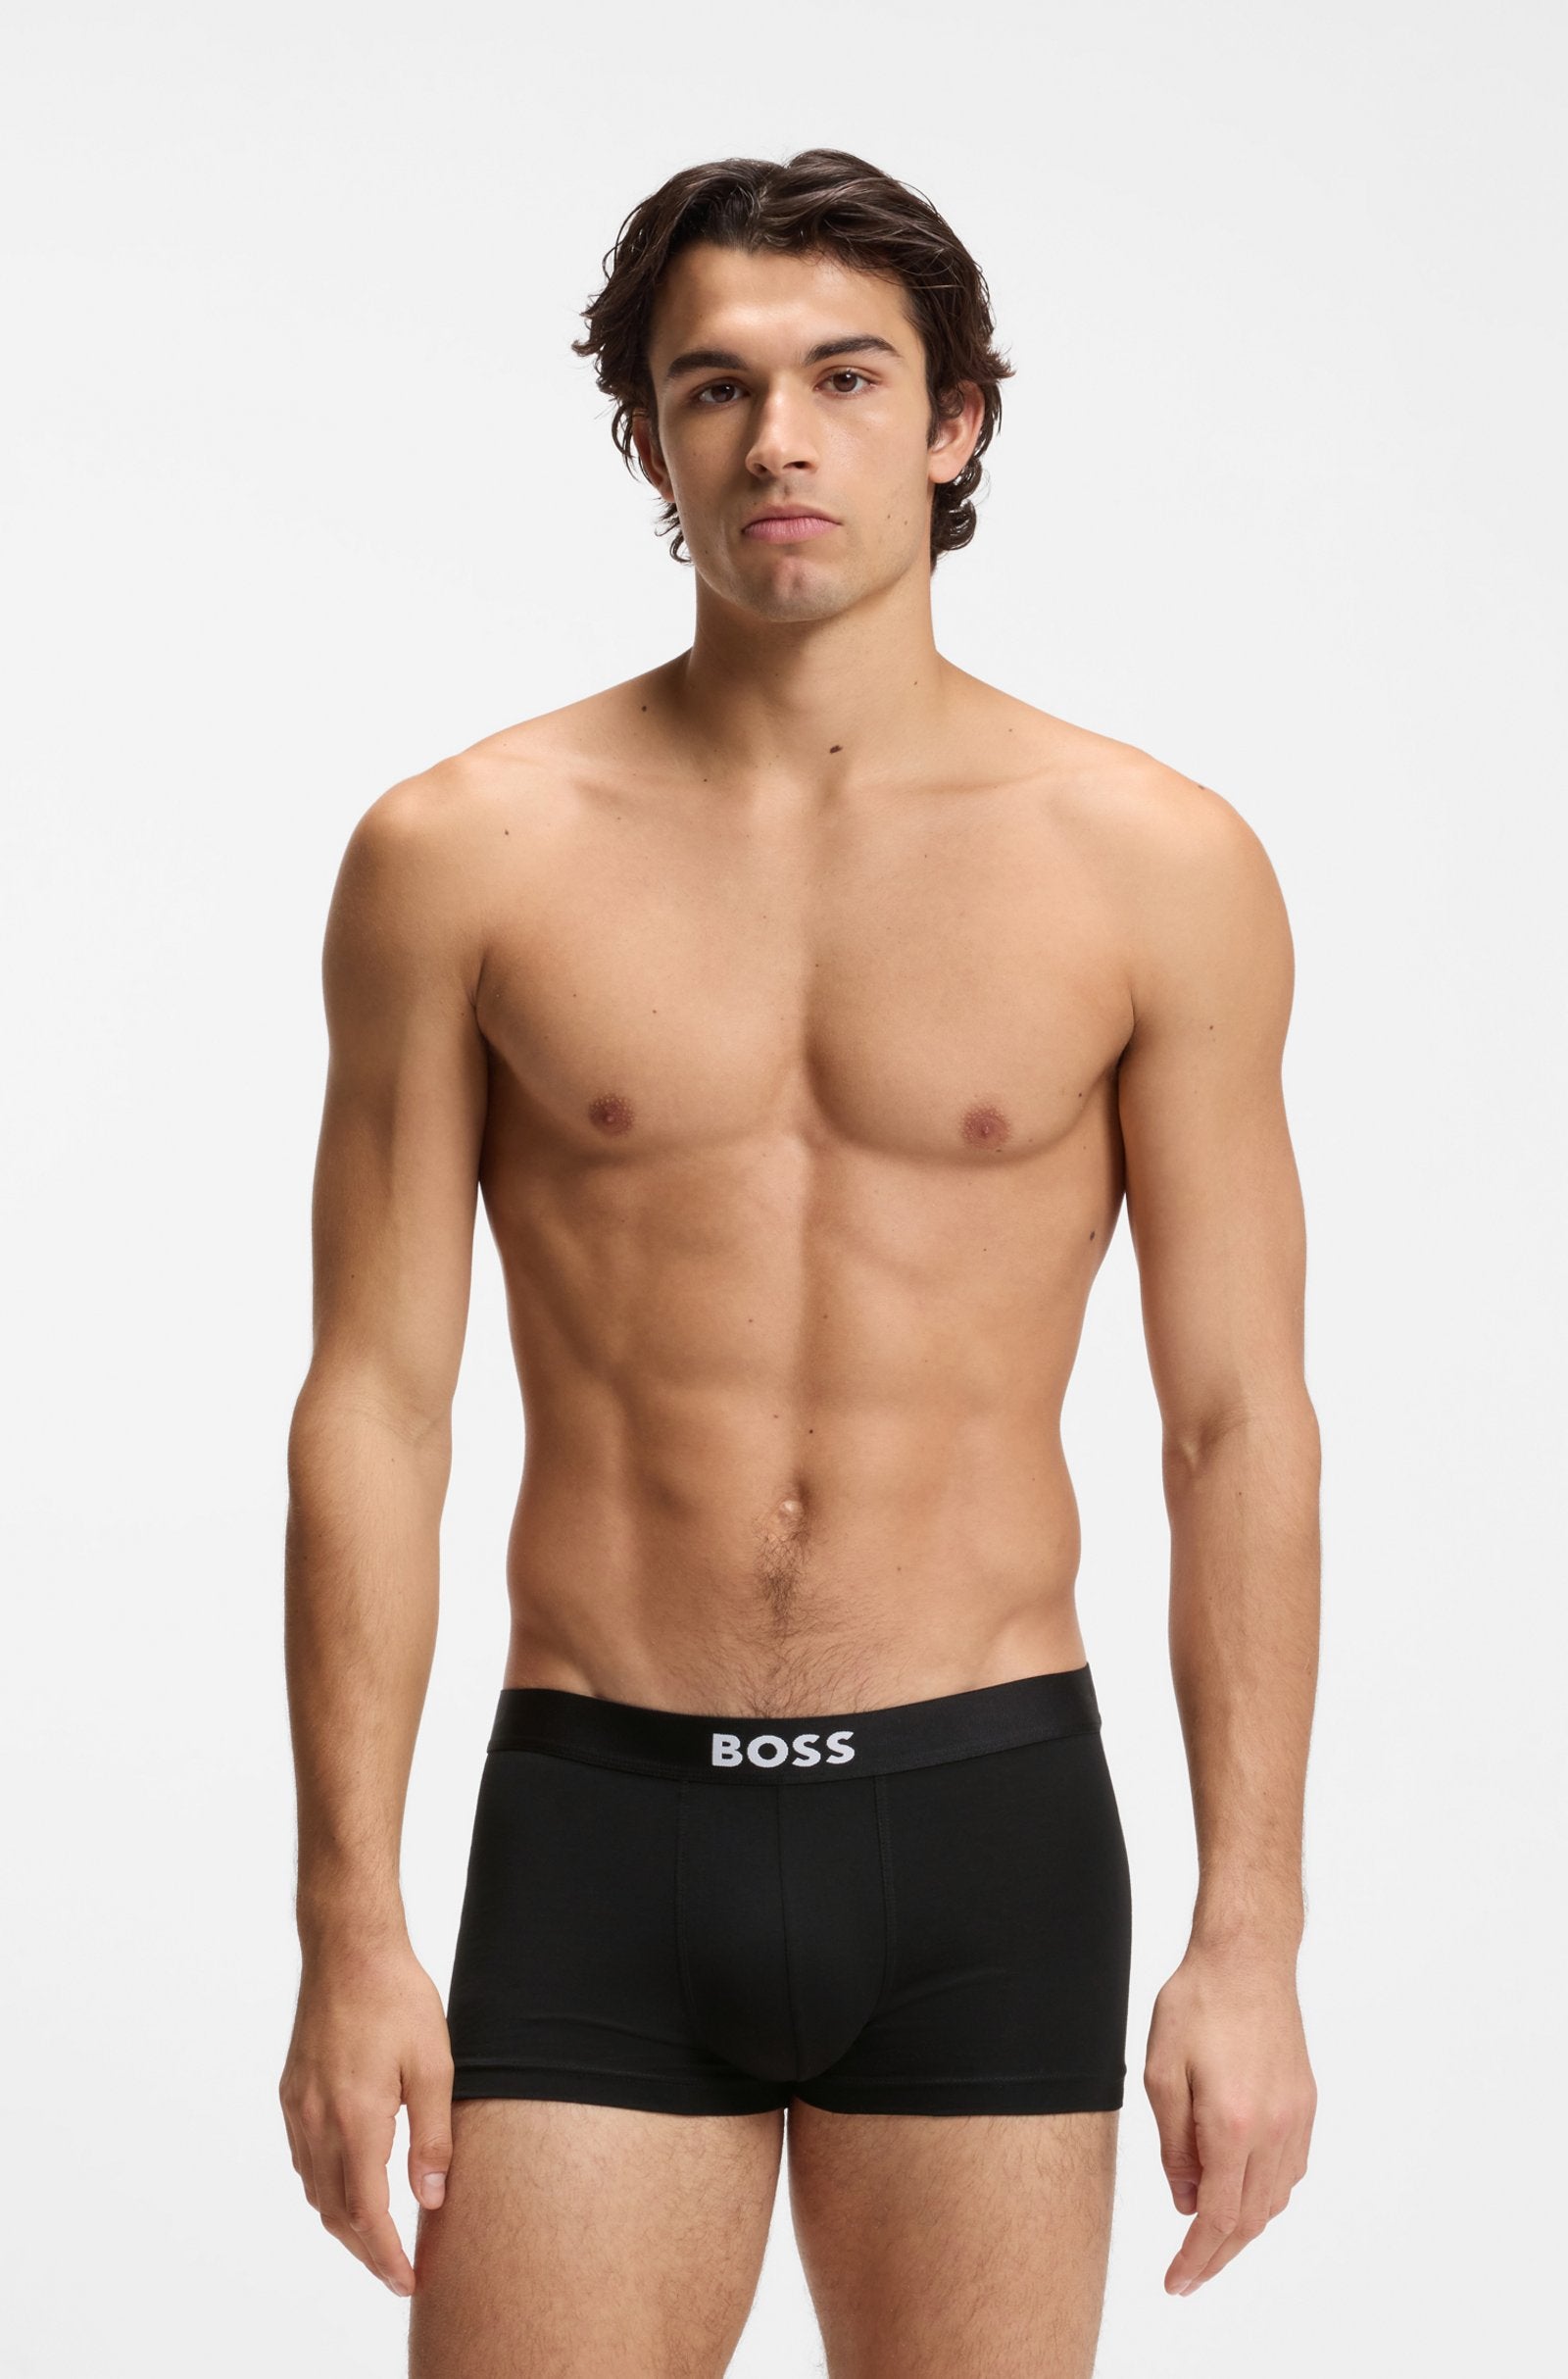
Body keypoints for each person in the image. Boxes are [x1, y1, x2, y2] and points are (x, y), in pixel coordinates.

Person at [278, 146, 1319, 2377]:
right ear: (649, 436)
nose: (779, 438)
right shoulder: (463, 856)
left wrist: (1251, 1932)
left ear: (954, 422)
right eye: (715, 385)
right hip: (600, 1818)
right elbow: (375, 1401)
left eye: (847, 377)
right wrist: (346, 1923)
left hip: (985, 1828)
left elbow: (1234, 1420)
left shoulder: (1153, 866)